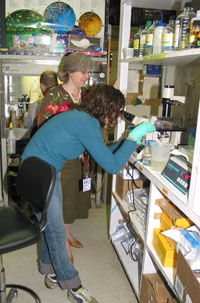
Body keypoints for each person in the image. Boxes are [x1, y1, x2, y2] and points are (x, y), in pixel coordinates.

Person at [21, 84, 156, 303]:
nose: (117, 115)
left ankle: (49, 271)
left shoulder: (82, 118)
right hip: (39, 177)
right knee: (56, 232)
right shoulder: (87, 124)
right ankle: (73, 285)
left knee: (49, 225)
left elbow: (102, 154)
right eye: (117, 110)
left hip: (37, 171)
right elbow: (112, 166)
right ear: (107, 108)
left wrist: (128, 143)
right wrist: (133, 138)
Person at [37, 53, 93, 265]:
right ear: (69, 71)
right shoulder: (54, 97)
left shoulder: (86, 96)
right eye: (83, 71)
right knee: (59, 202)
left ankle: (68, 233)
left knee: (74, 199)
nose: (86, 76)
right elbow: (44, 131)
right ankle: (63, 243)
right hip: (61, 159)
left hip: (82, 158)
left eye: (88, 72)